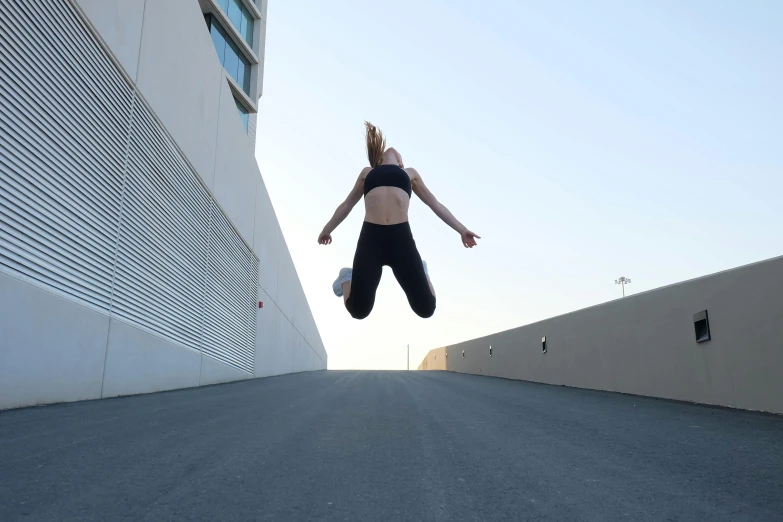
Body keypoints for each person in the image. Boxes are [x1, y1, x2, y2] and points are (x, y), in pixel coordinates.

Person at [318, 122, 479, 319]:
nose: (392, 151)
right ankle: (346, 278)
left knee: (426, 308)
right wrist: (327, 229)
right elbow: (346, 205)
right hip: (371, 240)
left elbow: (435, 205)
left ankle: (423, 270)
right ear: (379, 159)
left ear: (401, 161)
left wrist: (461, 230)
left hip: (400, 240)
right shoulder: (367, 173)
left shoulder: (409, 174)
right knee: (358, 310)